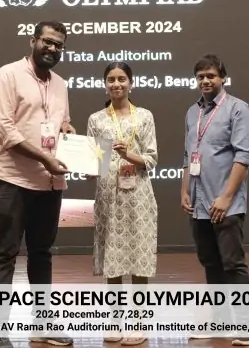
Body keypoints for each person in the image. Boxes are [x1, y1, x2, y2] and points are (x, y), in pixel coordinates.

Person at [0, 21, 76, 348]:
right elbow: (4, 130)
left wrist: (68, 132)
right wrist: (44, 157)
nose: (52, 49)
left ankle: (43, 324)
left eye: (58, 45)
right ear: (33, 40)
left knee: (42, 253)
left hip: (48, 182)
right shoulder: (7, 75)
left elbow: (61, 123)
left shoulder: (61, 84)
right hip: (12, 178)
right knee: (5, 254)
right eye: (47, 42)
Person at [180, 54, 249, 346]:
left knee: (232, 264)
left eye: (211, 75)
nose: (205, 81)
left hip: (226, 204)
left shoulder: (238, 109)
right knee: (210, 264)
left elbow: (244, 156)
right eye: (200, 76)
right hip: (198, 204)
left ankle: (246, 326)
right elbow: (188, 156)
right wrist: (184, 190)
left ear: (222, 77)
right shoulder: (192, 112)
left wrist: (225, 197)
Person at [86, 62, 158, 346]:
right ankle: (115, 320)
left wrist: (129, 155)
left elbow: (151, 158)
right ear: (105, 84)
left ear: (131, 83)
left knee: (139, 258)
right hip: (108, 196)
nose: (116, 84)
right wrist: (85, 162)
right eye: (111, 79)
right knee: (112, 261)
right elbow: (96, 163)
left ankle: (139, 321)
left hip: (138, 195)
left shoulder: (144, 116)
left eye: (122, 79)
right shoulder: (96, 119)